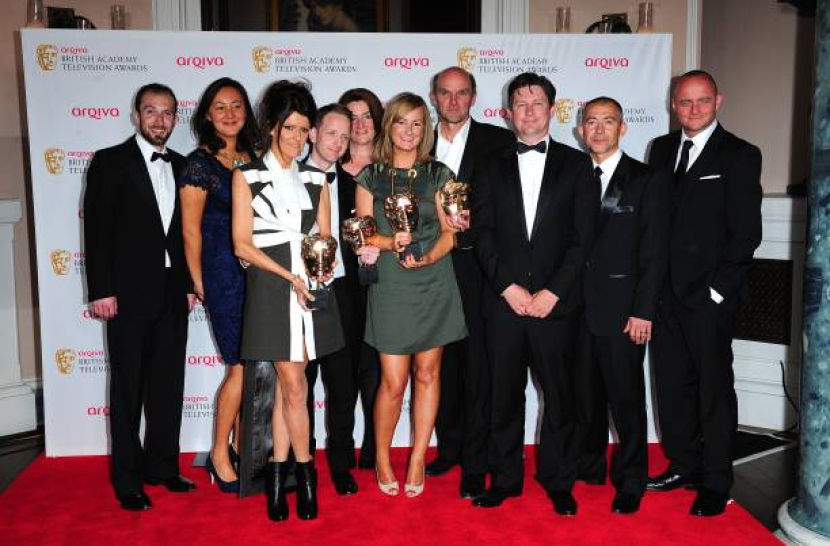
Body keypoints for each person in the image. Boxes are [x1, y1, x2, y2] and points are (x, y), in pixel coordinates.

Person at [472, 72, 595, 516]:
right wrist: (507, 286)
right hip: (503, 304)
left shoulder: (578, 165)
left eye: (536, 103)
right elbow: (481, 234)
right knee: (503, 395)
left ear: (552, 110)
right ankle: (505, 479)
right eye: (519, 104)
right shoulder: (488, 166)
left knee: (559, 396)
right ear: (507, 113)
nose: (527, 111)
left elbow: (584, 238)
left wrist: (552, 293)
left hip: (555, 307)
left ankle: (558, 478)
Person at [646, 70, 762, 517]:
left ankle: (715, 481)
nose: (693, 110)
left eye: (702, 101)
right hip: (664, 298)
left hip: (709, 300)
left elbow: (745, 233)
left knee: (714, 391)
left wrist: (716, 292)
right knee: (672, 387)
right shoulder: (660, 149)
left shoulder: (739, 154)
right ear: (673, 104)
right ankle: (684, 465)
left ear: (719, 100)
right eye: (684, 102)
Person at [232, 80, 343, 521]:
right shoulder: (247, 176)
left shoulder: (317, 179)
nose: (299, 139)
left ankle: (277, 479)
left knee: (285, 391)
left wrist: (324, 266)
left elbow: (325, 239)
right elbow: (242, 245)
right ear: (272, 126)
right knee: (295, 385)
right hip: (271, 293)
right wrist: (289, 277)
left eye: (305, 130)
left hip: (310, 293)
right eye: (291, 128)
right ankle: (306, 478)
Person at [84, 83, 197, 511]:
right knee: (128, 390)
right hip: (127, 296)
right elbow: (97, 232)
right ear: (136, 116)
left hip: (172, 295)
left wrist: (189, 285)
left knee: (168, 386)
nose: (159, 120)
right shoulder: (110, 162)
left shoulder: (184, 165)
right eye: (151, 111)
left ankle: (163, 468)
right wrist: (101, 291)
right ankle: (128, 479)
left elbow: (188, 236)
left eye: (167, 113)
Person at [355, 92, 467, 497]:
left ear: (426, 130)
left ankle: (418, 455)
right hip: (390, 285)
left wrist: (427, 256)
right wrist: (395, 243)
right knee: (393, 381)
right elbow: (364, 234)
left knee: (428, 373)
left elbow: (451, 233)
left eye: (417, 123)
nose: (409, 131)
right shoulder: (370, 175)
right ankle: (384, 456)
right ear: (389, 127)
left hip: (433, 280)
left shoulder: (439, 174)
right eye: (401, 122)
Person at [574, 97, 670, 514]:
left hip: (624, 310)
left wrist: (644, 310)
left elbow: (654, 251)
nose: (598, 130)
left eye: (607, 122)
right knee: (584, 395)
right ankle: (591, 465)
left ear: (623, 128)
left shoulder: (647, 179)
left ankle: (631, 479)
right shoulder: (572, 174)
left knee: (626, 401)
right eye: (590, 122)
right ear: (580, 130)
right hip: (575, 308)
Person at [426, 66, 515, 499]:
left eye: (462, 93)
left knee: (479, 366)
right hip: (428, 268)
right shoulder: (416, 140)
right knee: (438, 364)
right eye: (446, 93)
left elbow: (509, 205)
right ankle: (449, 448)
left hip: (479, 268)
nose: (454, 101)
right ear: (434, 97)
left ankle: (475, 463)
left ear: (474, 97)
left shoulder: (499, 141)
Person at [178, 77, 259, 493]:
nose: (229, 114)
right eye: (220, 106)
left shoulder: (255, 157)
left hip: (259, 274)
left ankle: (245, 450)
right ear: (207, 113)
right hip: (222, 276)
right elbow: (190, 232)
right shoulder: (198, 163)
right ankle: (218, 452)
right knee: (239, 367)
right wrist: (198, 283)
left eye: (237, 106)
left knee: (256, 366)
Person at [302, 103, 380, 495]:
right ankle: (301, 462)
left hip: (345, 296)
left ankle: (340, 463)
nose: (338, 142)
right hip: (296, 296)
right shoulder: (284, 179)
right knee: (298, 385)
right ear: (312, 134)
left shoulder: (355, 185)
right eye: (330, 133)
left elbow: (366, 237)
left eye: (345, 136)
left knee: (343, 384)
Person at [337, 87, 385, 470]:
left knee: (376, 369)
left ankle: (374, 448)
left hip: (385, 284)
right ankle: (340, 448)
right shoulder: (326, 173)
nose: (360, 124)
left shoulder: (392, 171)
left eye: (366, 115)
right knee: (341, 370)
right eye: (351, 117)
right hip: (338, 286)